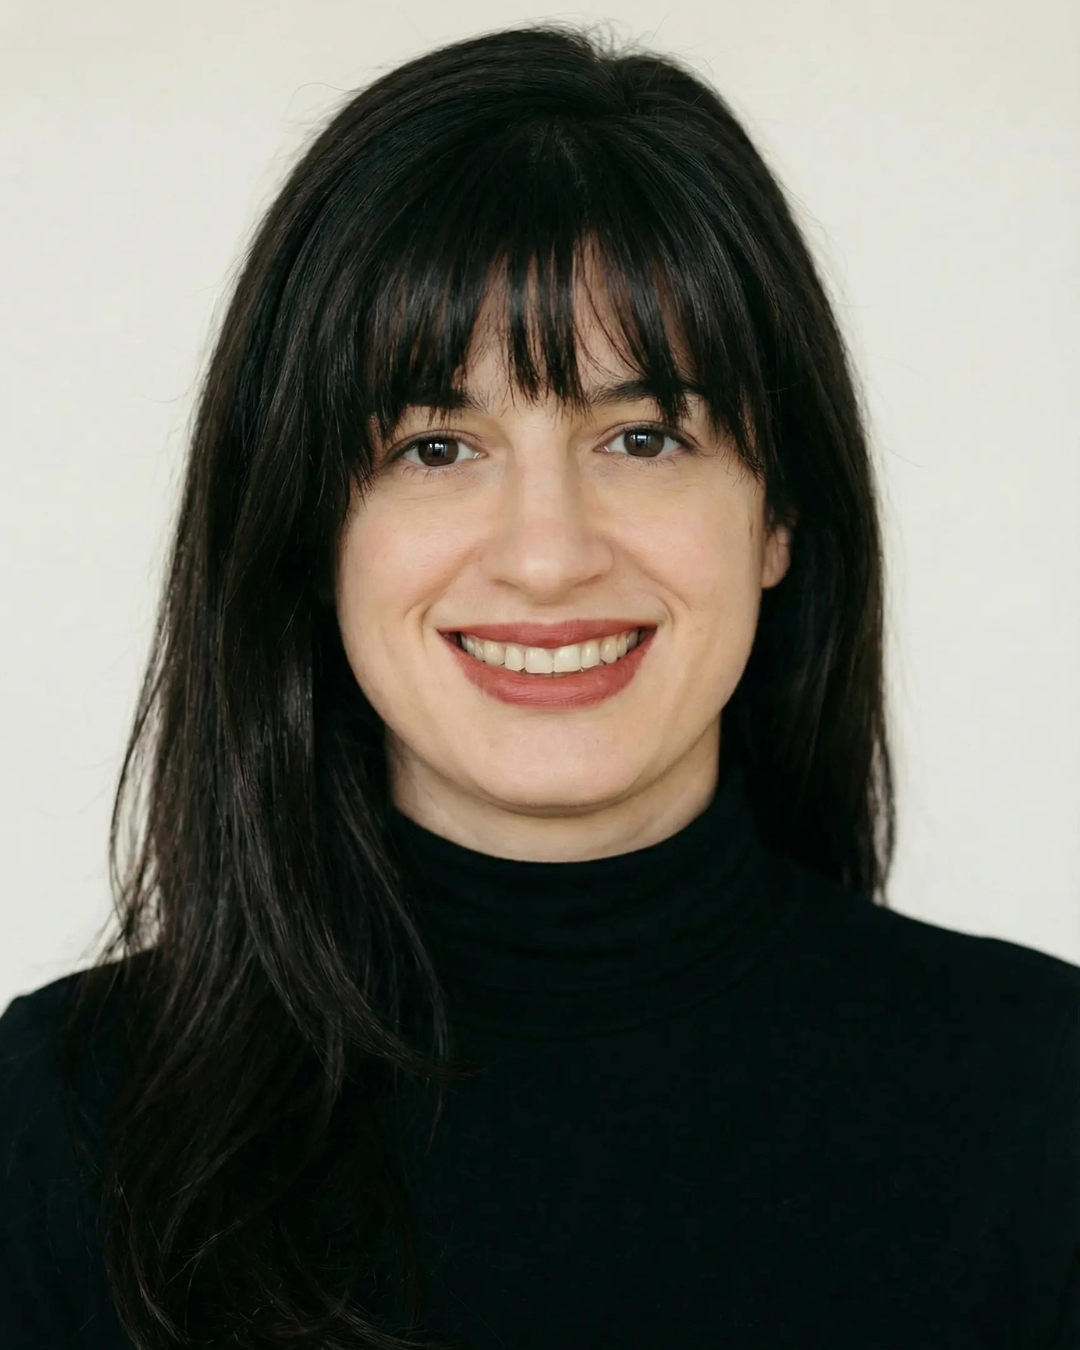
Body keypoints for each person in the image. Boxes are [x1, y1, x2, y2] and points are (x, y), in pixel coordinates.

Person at [0, 20, 1076, 1350]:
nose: (550, 555)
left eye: (641, 434)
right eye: (437, 445)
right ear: (307, 526)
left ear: (778, 507)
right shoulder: (58, 1127)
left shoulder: (1045, 1098)